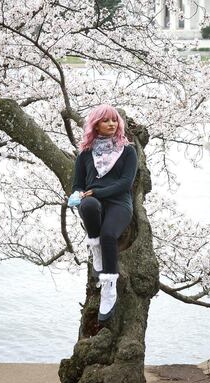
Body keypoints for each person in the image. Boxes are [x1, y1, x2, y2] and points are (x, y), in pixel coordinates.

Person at [69, 104, 137, 322]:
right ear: (95, 124)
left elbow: (126, 183)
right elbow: (78, 184)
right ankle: (94, 247)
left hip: (119, 202)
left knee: (109, 234)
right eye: (106, 120)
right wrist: (78, 195)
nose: (111, 124)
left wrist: (97, 191)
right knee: (88, 205)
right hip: (93, 203)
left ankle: (109, 288)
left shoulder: (127, 150)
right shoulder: (86, 154)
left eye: (114, 120)